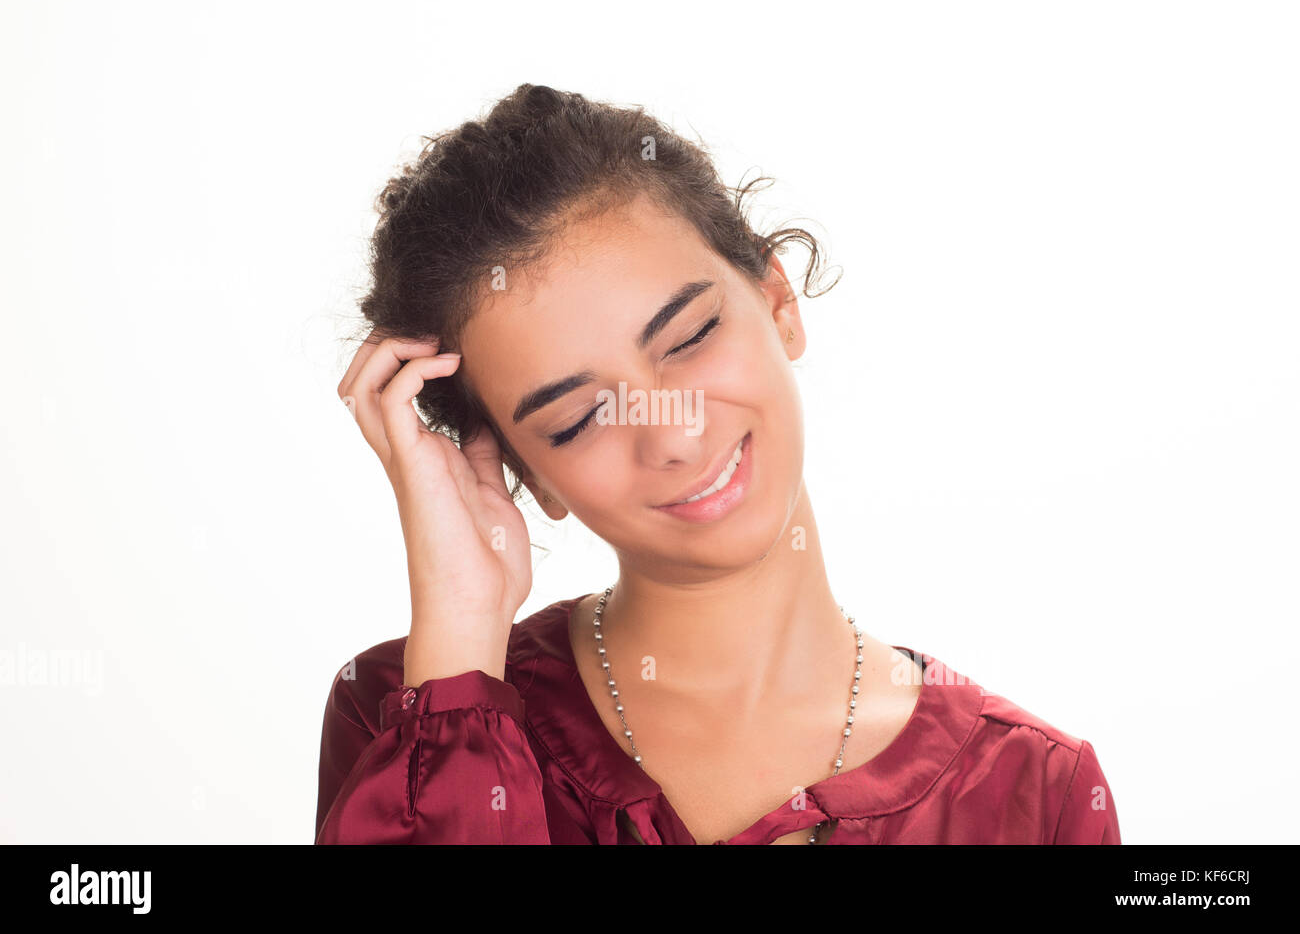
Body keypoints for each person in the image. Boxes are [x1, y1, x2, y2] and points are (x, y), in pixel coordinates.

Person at [315, 84, 1121, 845]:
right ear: (531, 480)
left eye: (691, 338)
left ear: (778, 302)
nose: (669, 434)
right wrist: (460, 636)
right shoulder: (411, 713)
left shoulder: (1036, 789)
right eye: (580, 418)